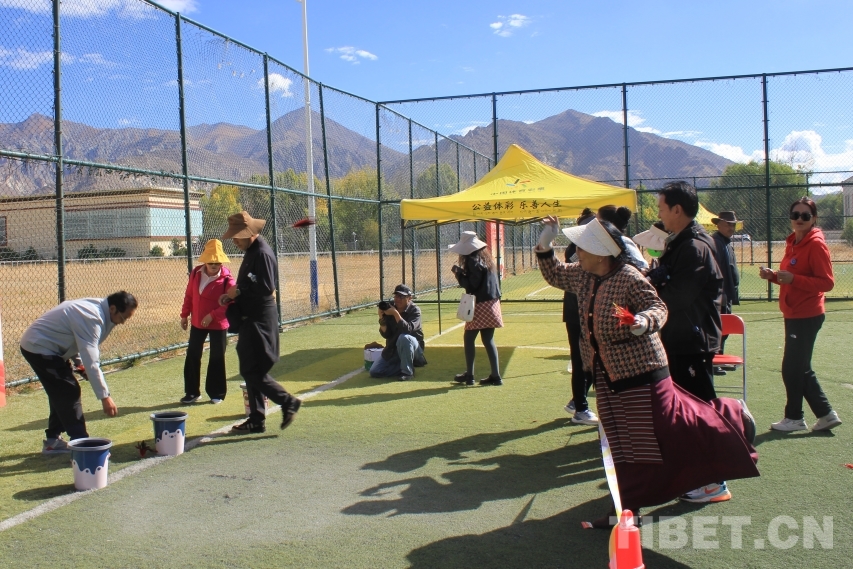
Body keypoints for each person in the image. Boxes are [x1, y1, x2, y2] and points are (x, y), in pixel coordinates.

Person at [535, 216, 758, 526]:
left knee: (660, 436)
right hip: (607, 376)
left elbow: (658, 308)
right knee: (620, 446)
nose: (576, 253)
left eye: (582, 248)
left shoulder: (628, 276)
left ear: (600, 252)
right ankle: (627, 510)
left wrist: (643, 321)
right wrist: (545, 241)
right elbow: (554, 273)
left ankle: (732, 417)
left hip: (642, 373)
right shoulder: (583, 275)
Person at [19, 291, 138, 453]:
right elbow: (91, 360)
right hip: (38, 346)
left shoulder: (101, 311)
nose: (123, 323)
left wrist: (79, 364)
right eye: (123, 318)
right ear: (113, 308)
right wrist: (105, 397)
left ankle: (53, 440)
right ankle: (80, 442)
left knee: (61, 390)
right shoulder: (92, 317)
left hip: (51, 347)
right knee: (68, 390)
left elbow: (75, 338)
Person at [760, 198, 841, 432]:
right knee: (800, 368)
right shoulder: (793, 242)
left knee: (792, 368)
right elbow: (791, 277)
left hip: (807, 314)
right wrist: (774, 276)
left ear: (814, 219)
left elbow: (827, 282)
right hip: (794, 312)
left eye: (805, 216)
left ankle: (795, 417)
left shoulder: (816, 245)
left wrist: (794, 279)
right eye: (795, 215)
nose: (799, 219)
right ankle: (825, 414)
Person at [220, 211, 301, 433]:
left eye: (237, 236)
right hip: (252, 319)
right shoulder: (253, 251)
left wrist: (239, 291)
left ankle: (286, 402)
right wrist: (233, 295)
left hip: (260, 319)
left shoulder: (261, 253)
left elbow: (266, 287)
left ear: (249, 233)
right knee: (251, 369)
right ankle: (257, 418)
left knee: (251, 370)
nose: (234, 241)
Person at [650, 181, 723, 403]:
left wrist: (646, 299)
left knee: (700, 407)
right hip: (683, 338)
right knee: (684, 407)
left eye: (661, 209)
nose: (659, 215)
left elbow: (678, 296)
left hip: (691, 342)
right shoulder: (683, 243)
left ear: (677, 210)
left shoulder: (694, 247)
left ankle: (727, 426)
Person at [179, 239, 235, 404]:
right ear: (205, 260)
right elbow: (189, 295)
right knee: (192, 354)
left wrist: (212, 315)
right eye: (211, 262)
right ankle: (192, 392)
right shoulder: (195, 273)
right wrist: (184, 315)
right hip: (197, 322)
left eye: (217, 262)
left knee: (217, 357)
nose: (214, 265)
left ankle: (216, 393)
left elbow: (230, 303)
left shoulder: (228, 279)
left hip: (218, 324)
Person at [449, 231, 504, 386]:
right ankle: (495, 375)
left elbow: (471, 285)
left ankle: (470, 375)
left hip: (480, 304)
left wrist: (459, 275)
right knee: (488, 339)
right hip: (492, 303)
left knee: (469, 338)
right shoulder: (487, 259)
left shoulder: (472, 261)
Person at [562, 208, 597, 424]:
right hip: (577, 311)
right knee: (581, 359)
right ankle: (580, 406)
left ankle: (577, 401)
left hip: (584, 309)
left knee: (591, 358)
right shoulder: (577, 249)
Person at [370, 284, 426, 381]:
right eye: (396, 296)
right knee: (375, 371)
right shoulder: (390, 307)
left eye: (401, 296)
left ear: (409, 298)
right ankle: (405, 365)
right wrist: (381, 317)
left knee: (404, 337)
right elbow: (386, 334)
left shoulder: (415, 310)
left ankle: (407, 373)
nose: (397, 299)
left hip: (414, 349)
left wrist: (395, 313)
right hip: (393, 348)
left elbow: (408, 329)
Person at [710, 211, 741, 375]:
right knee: (718, 329)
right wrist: (719, 294)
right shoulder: (716, 243)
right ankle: (714, 361)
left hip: (726, 294)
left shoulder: (725, 243)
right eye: (728, 224)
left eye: (733, 224)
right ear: (719, 224)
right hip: (719, 295)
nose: (731, 228)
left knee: (724, 329)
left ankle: (720, 358)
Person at [596, 205, 649, 271]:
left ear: (609, 224)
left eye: (598, 222)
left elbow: (642, 266)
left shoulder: (623, 242)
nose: (594, 226)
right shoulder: (602, 243)